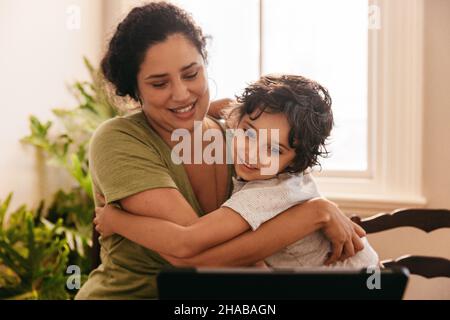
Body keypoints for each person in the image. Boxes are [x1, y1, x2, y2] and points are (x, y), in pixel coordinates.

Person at [75, 2, 366, 300]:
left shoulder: (240, 140)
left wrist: (319, 210)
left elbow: (286, 186)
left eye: (191, 74)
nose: (181, 93)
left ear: (205, 63)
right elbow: (190, 258)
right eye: (159, 83)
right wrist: (315, 214)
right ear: (135, 90)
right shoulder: (119, 140)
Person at [94, 74, 379, 268]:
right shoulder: (260, 150)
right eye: (249, 134)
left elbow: (186, 245)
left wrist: (116, 221)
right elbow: (227, 110)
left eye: (275, 150)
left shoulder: (266, 195)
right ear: (236, 121)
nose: (252, 153)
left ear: (294, 162)